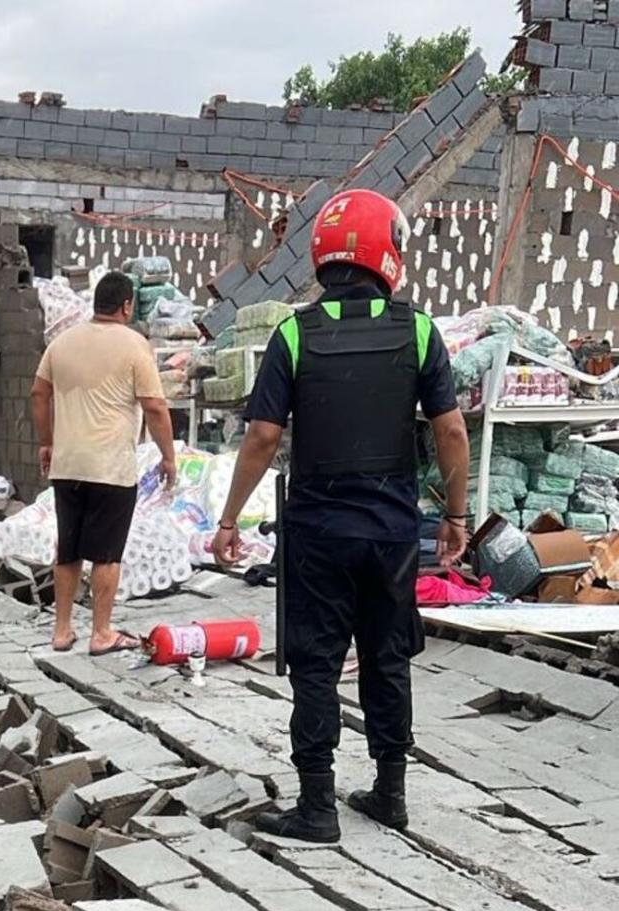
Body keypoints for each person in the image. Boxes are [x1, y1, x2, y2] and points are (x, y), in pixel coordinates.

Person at [213, 189, 470, 843]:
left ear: (323, 253)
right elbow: (451, 433)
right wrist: (457, 516)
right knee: (388, 655)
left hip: (319, 532)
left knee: (317, 662)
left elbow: (263, 437)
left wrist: (229, 519)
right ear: (388, 252)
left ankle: (318, 805)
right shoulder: (418, 329)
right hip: (391, 533)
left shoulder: (295, 332)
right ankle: (389, 791)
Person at [31, 271, 177, 655]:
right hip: (110, 467)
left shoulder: (61, 344)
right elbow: (155, 407)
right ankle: (101, 632)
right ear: (126, 305)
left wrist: (47, 441)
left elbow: (38, 393)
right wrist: (168, 455)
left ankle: (61, 631)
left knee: (69, 550)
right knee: (107, 553)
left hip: (67, 465)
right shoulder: (134, 345)